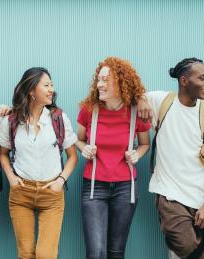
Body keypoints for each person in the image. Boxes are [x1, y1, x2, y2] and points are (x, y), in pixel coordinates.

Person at [143, 57, 204, 259]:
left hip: (199, 198)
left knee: (192, 253)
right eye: (202, 78)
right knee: (186, 247)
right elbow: (131, 93)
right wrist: (139, 99)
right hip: (169, 194)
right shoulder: (161, 101)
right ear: (184, 80)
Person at [0, 67, 78, 259]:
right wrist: (12, 179)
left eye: (52, 85)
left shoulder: (58, 118)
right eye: (46, 85)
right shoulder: (12, 120)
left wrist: (60, 181)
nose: (51, 89)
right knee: (25, 254)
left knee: (45, 255)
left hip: (51, 195)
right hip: (21, 194)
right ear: (31, 90)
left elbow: (73, 156)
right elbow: (3, 154)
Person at [75, 57, 151, 259]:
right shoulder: (89, 110)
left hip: (126, 188)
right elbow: (78, 139)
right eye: (98, 79)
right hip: (94, 186)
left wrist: (136, 154)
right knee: (96, 253)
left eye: (105, 80)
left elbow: (145, 143)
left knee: (116, 252)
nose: (99, 84)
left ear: (121, 81)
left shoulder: (136, 111)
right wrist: (84, 149)